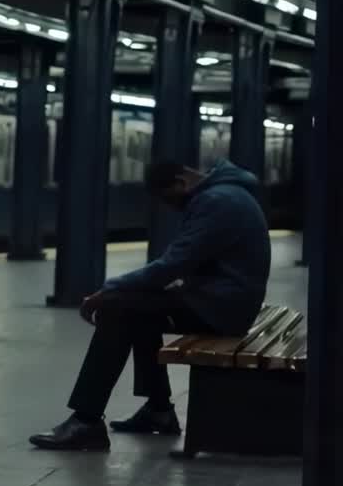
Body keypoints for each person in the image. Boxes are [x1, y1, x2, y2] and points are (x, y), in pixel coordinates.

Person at [29, 159, 271, 451]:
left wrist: (107, 290)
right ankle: (159, 412)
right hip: (224, 301)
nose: (175, 208)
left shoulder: (216, 201)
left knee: (117, 311)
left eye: (171, 200)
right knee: (140, 314)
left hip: (221, 310)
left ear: (182, 182)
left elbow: (174, 262)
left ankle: (86, 420)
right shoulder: (228, 193)